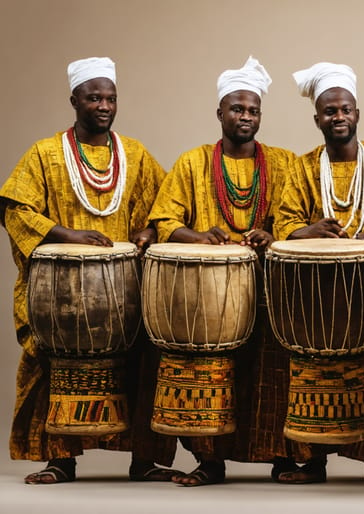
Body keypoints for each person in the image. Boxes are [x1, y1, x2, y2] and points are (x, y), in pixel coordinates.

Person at [0, 57, 180, 484]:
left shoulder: (133, 154)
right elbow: (13, 207)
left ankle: (144, 461)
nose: (104, 105)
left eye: (111, 98)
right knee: (55, 365)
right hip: (60, 294)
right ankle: (61, 460)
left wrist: (146, 233)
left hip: (125, 291)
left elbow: (165, 207)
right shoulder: (45, 153)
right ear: (74, 100)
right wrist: (65, 234)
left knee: (139, 365)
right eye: (94, 97)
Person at [149, 56, 301, 486]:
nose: (245, 117)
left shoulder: (285, 163)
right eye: (237, 109)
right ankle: (209, 462)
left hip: (270, 290)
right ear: (220, 112)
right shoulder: (193, 163)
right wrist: (198, 238)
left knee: (271, 370)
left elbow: (295, 219)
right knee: (210, 373)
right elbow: (164, 219)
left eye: (253, 110)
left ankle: (281, 459)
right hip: (208, 298)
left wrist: (271, 235)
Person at [270, 62, 364, 484]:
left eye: (345, 109)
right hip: (320, 296)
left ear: (357, 113)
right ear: (317, 119)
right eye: (330, 111)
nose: (339, 117)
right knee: (317, 373)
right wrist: (306, 231)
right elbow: (283, 224)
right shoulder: (302, 167)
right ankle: (313, 460)